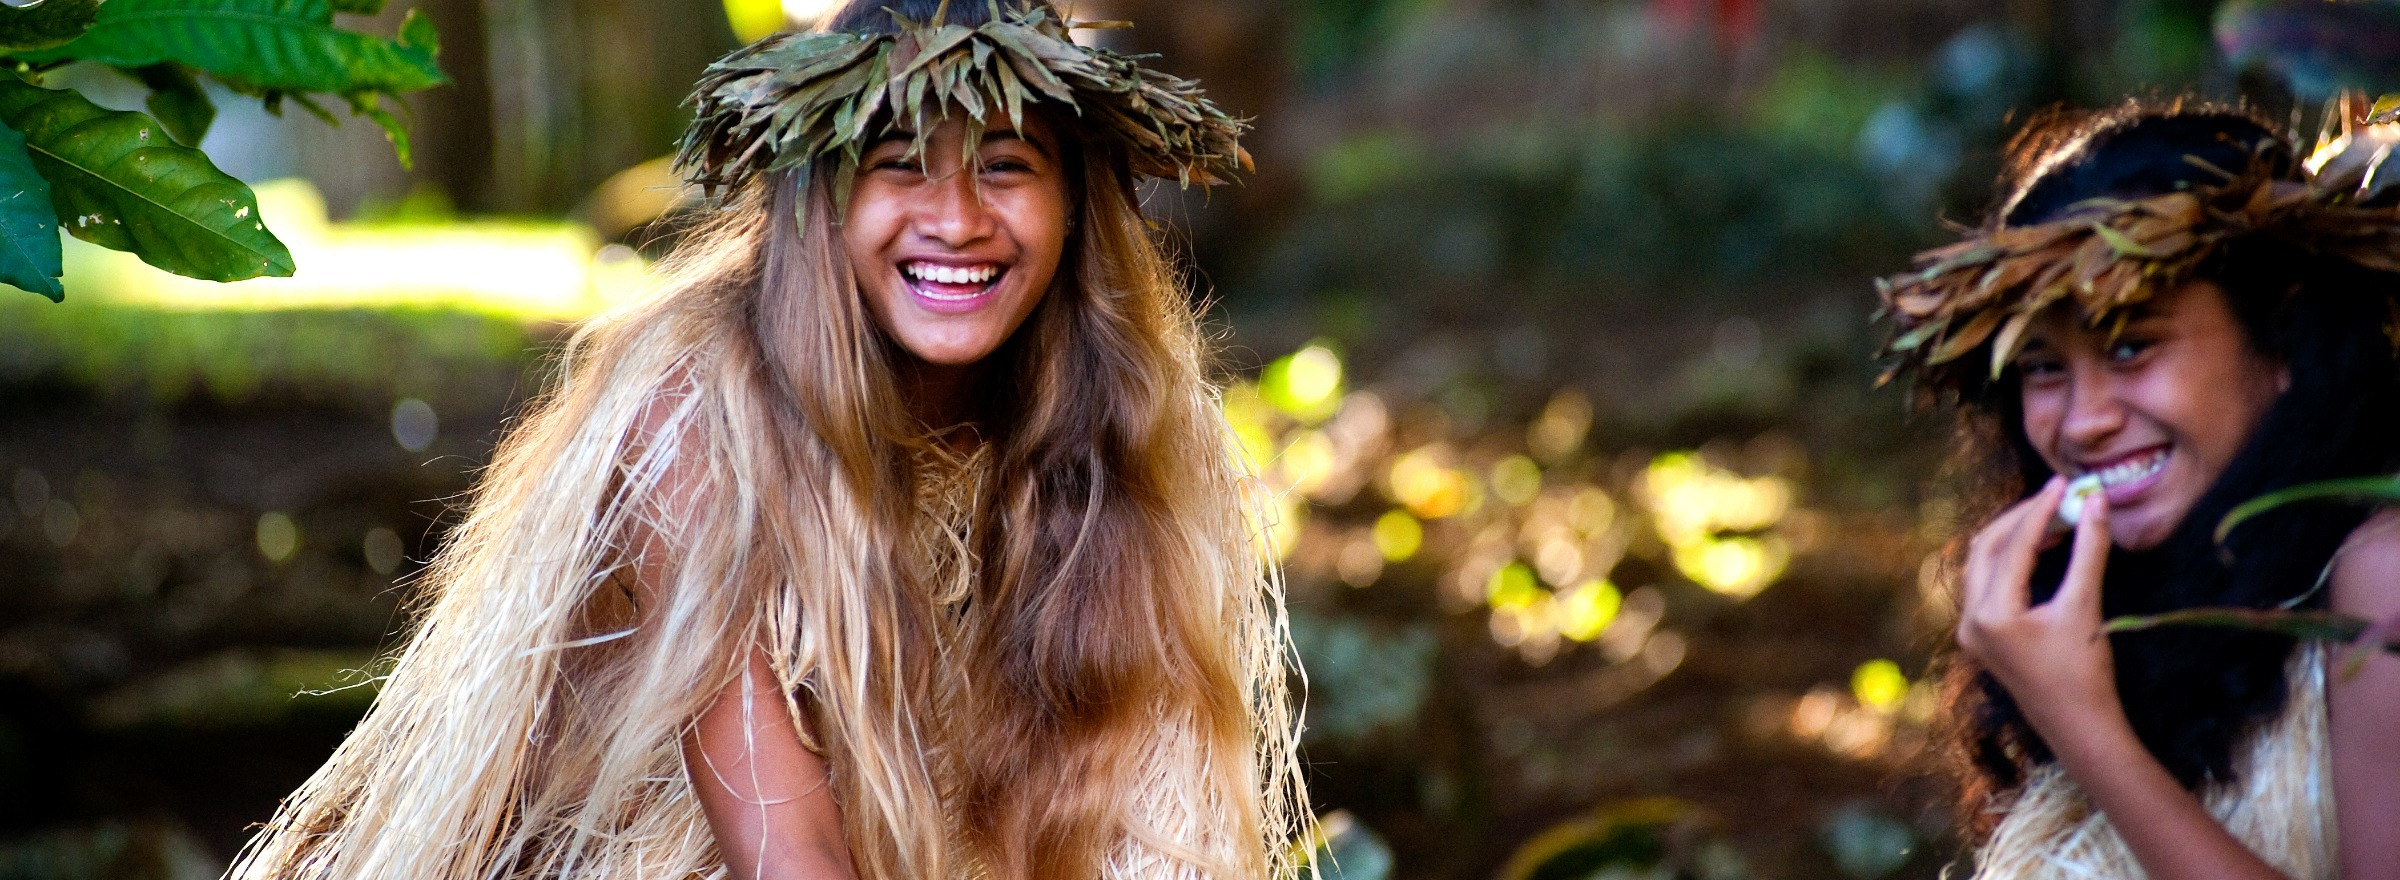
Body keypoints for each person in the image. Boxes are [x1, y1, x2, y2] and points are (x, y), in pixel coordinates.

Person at [224, 2, 1304, 878]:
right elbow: (789, 856)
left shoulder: (1134, 423)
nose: (959, 217)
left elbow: (1146, 824)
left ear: (1074, 205)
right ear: (819, 201)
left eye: (1008, 166)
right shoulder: (694, 419)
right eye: (899, 163)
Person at [1876, 104, 2400, 879]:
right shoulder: (2111, 593)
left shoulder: (2380, 575)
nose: (2083, 423)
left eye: (2131, 346)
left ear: (2283, 337)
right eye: (2044, 366)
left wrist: (2087, 729)